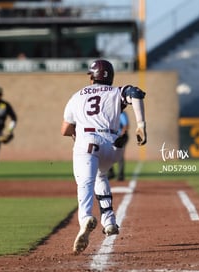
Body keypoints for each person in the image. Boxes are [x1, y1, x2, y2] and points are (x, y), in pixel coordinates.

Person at [60, 59, 147, 255]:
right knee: (101, 175)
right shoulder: (116, 91)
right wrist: (141, 125)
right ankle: (109, 221)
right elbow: (135, 93)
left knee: (85, 183)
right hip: (112, 146)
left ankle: (85, 219)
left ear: (92, 77)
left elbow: (65, 129)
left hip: (88, 143)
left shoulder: (77, 96)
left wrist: (77, 133)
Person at [107, 111, 129, 181]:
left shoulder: (121, 113)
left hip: (120, 137)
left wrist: (120, 135)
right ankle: (111, 173)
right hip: (111, 136)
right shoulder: (109, 113)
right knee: (107, 154)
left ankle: (120, 175)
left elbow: (126, 126)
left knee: (120, 156)